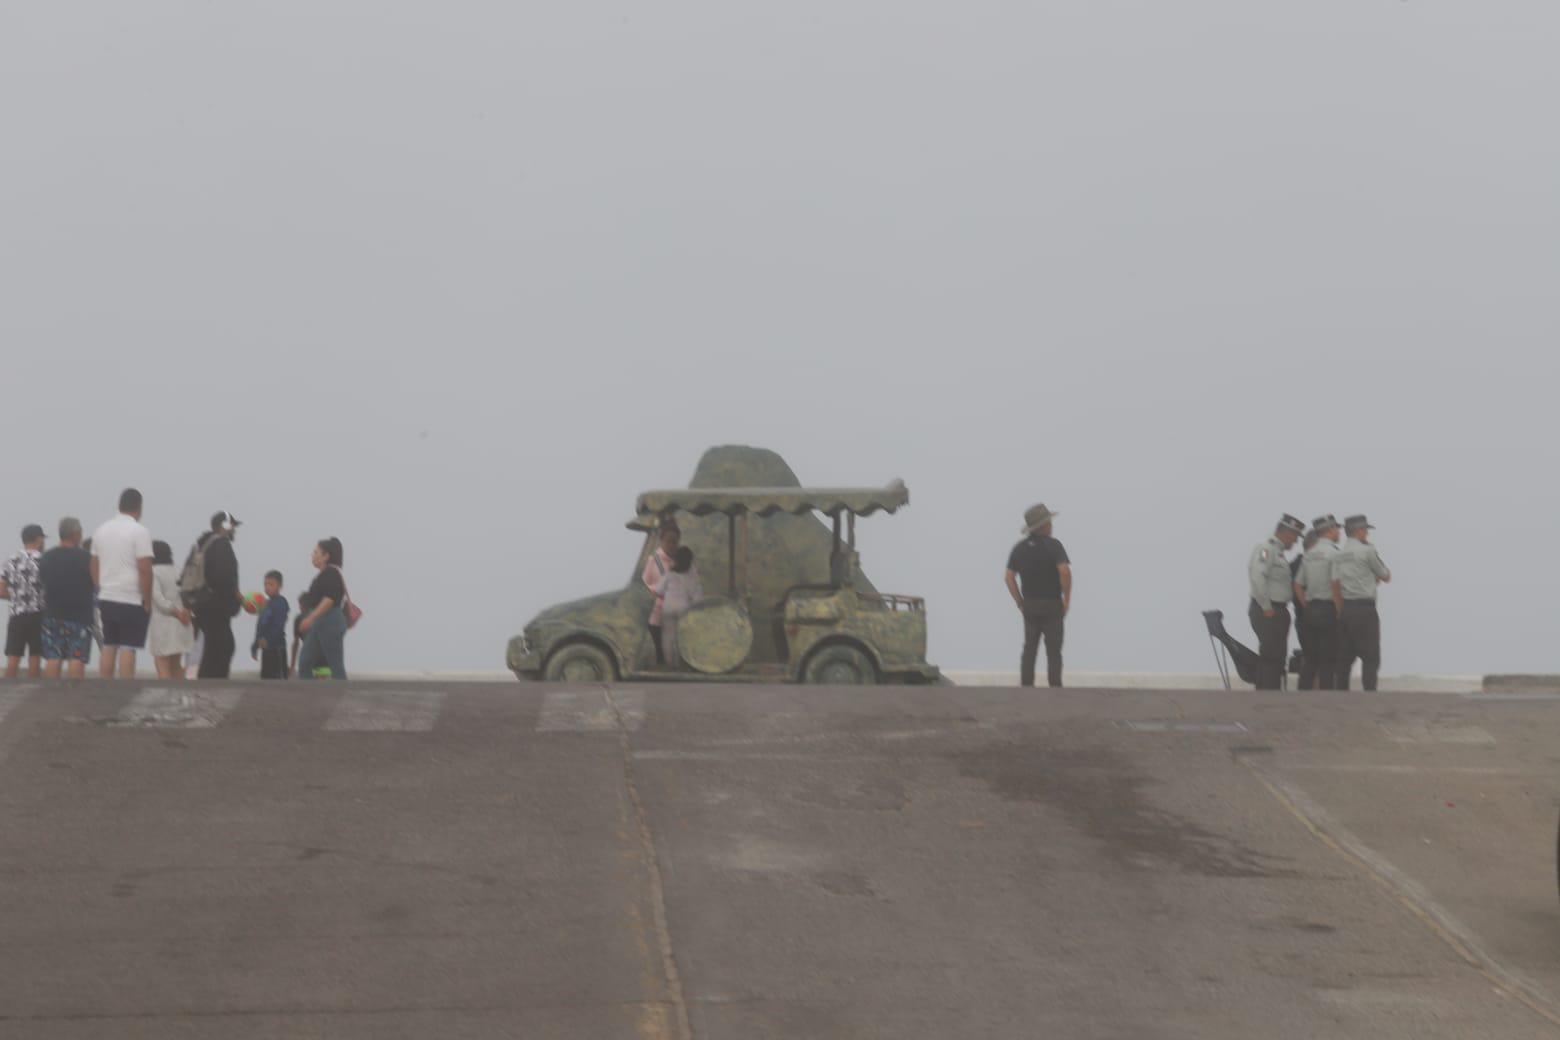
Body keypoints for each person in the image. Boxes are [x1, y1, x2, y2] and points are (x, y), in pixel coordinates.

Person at [1004, 504, 1072, 688]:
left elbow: (1009, 577)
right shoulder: (1054, 546)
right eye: (1049, 521)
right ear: (1043, 525)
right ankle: (1055, 688)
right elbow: (1064, 572)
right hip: (1052, 603)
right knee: (1054, 650)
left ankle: (1027, 687)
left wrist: (1020, 601)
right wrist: (1067, 599)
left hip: (1030, 604)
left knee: (1029, 648)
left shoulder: (1020, 548)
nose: (1051, 525)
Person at [90, 488, 154, 679]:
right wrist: (147, 598)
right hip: (131, 596)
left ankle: (105, 682)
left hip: (107, 595)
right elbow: (144, 569)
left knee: (109, 643)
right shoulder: (140, 532)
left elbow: (93, 563)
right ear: (139, 507)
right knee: (128, 646)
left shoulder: (101, 530)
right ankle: (126, 686)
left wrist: (100, 585)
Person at [1332, 514, 1392, 691]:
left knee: (1344, 657)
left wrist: (1340, 610)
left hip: (1346, 608)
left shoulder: (1339, 554)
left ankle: (1341, 693)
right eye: (1365, 530)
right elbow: (1385, 575)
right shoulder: (1368, 551)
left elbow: (1335, 584)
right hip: (1365, 609)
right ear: (1358, 531)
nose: (1366, 534)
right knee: (1370, 655)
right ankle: (1369, 694)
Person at [1248, 514, 1305, 690]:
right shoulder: (1267, 549)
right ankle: (1267, 695)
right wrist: (1266, 606)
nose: (1295, 542)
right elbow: (1258, 577)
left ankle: (1270, 693)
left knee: (1277, 656)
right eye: (1295, 536)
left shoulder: (1277, 553)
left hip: (1277, 610)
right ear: (1287, 533)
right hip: (1269, 609)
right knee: (1271, 657)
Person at [38, 518, 95, 680]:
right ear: (76, 534)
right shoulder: (87, 557)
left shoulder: (47, 557)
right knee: (76, 657)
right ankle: (74, 697)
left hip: (52, 613)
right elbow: (95, 582)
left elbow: (43, 580)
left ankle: (49, 694)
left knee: (53, 657)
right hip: (80, 615)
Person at [1293, 515, 1342, 689]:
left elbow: (1298, 584)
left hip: (1311, 609)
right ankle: (1326, 698)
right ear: (1329, 530)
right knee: (1328, 660)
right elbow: (1336, 583)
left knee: (1311, 659)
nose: (1339, 532)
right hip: (1329, 609)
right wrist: (1339, 609)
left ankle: (1303, 695)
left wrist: (1306, 604)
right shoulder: (1335, 553)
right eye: (1337, 528)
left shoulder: (1309, 554)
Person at [192, 512, 243, 679]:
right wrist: (234, 596)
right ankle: (214, 684)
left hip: (203, 605)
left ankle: (208, 682)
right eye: (232, 525)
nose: (234, 529)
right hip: (216, 606)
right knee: (223, 647)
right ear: (224, 526)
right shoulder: (221, 544)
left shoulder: (204, 543)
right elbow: (222, 576)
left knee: (214, 646)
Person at [297, 538, 349, 680]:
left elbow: (329, 600)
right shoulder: (325, 574)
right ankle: (309, 696)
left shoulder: (330, 573)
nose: (312, 555)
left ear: (326, 556)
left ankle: (342, 696)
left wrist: (310, 618)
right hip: (321, 623)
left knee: (336, 666)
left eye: (316, 552)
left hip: (330, 622)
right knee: (305, 662)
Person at [1, 524, 47, 679]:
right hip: (38, 613)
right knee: (35, 654)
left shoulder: (11, 560)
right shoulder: (43, 560)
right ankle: (33, 688)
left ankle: (5, 689)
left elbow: (0, 590)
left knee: (13, 655)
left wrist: (15, 596)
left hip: (16, 614)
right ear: (39, 539)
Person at [146, 540, 195, 680]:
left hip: (163, 624)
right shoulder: (178, 570)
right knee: (176, 665)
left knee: (161, 663)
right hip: (183, 623)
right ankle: (181, 696)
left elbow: (159, 599)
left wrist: (177, 613)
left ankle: (166, 696)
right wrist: (186, 612)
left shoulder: (153, 572)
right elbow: (189, 594)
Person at [655, 546, 703, 668]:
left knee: (668, 637)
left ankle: (670, 664)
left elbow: (658, 590)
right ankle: (684, 664)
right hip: (684, 609)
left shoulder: (669, 573)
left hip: (668, 608)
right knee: (683, 638)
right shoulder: (692, 575)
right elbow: (697, 595)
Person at [641, 521, 680, 666]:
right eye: (668, 541)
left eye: (674, 542)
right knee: (658, 645)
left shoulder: (681, 560)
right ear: (662, 541)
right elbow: (645, 583)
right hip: (657, 611)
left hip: (676, 611)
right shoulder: (653, 560)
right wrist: (657, 592)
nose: (671, 545)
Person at [251, 571, 290, 679]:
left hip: (277, 649)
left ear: (280, 586)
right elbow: (260, 626)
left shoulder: (281, 602)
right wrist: (255, 646)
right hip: (266, 650)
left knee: (278, 684)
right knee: (266, 681)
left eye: (271, 584)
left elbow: (279, 625)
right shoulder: (265, 604)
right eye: (265, 584)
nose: (267, 587)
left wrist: (268, 640)